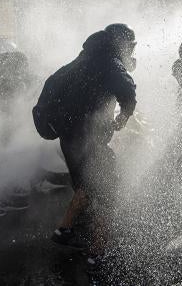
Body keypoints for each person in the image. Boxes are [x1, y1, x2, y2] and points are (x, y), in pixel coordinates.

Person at [33, 24, 137, 262]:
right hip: (90, 140)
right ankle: (98, 254)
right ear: (120, 44)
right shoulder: (108, 61)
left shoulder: (83, 59)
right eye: (130, 46)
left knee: (87, 186)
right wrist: (122, 117)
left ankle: (64, 231)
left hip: (69, 140)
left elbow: (54, 84)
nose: (131, 52)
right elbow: (128, 90)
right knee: (111, 191)